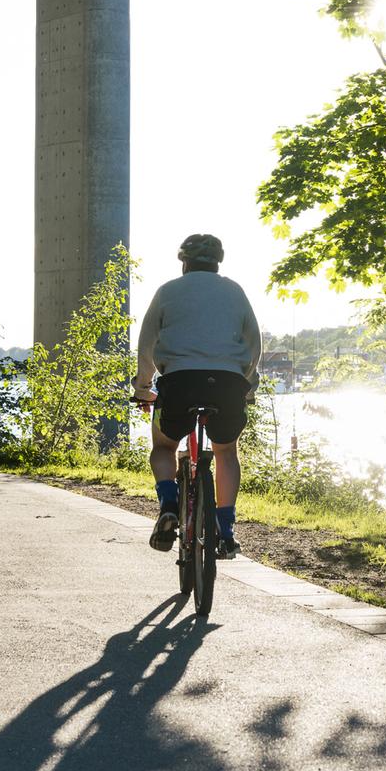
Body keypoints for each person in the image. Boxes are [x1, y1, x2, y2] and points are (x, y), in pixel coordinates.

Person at [131, 233, 261, 559]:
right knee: (226, 452)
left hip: (179, 382)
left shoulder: (168, 292)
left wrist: (143, 388)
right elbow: (254, 343)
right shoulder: (235, 291)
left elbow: (146, 346)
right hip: (229, 382)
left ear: (184, 262)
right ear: (218, 263)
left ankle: (170, 504)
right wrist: (247, 384)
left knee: (163, 447)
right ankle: (226, 533)